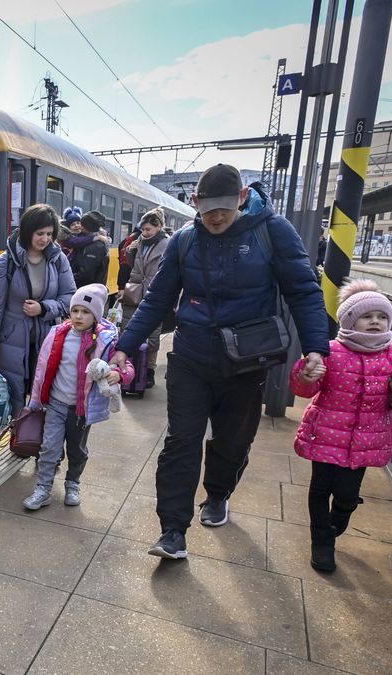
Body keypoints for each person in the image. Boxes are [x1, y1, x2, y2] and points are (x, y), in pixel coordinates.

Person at [110, 163, 329, 560]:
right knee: (181, 441)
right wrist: (125, 346)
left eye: (225, 209)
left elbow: (303, 290)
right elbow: (157, 299)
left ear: (242, 199)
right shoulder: (184, 241)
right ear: (194, 203)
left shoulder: (273, 231)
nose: (216, 217)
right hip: (192, 356)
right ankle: (172, 530)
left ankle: (218, 492)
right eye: (208, 209)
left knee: (232, 440)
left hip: (247, 360)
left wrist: (317, 346)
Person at [290, 279, 392, 572]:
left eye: (382, 317)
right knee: (319, 490)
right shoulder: (329, 351)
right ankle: (322, 543)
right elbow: (305, 391)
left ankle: (342, 513)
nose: (375, 322)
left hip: (365, 442)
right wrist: (305, 376)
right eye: (367, 316)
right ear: (350, 320)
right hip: (324, 434)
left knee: (347, 492)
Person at [23, 284, 134, 509]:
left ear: (96, 316)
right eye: (75, 311)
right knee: (49, 447)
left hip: (81, 409)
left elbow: (127, 367)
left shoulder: (106, 341)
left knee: (77, 449)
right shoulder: (57, 335)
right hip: (55, 404)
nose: (79, 316)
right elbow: (41, 370)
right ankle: (43, 488)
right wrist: (35, 401)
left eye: (85, 312)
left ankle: (73, 483)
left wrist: (118, 375)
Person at [0, 204, 76, 413]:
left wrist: (43, 308)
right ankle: (18, 441)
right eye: (40, 233)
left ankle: (36, 441)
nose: (45, 239)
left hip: (47, 340)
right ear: (27, 231)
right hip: (11, 342)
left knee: (44, 397)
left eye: (50, 234)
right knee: (14, 400)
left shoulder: (58, 260)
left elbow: (69, 298)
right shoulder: (6, 262)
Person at [119, 207, 169, 388]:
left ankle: (149, 370)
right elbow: (131, 265)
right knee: (128, 327)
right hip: (135, 289)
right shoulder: (138, 242)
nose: (145, 233)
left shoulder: (167, 244)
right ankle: (130, 367)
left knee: (152, 334)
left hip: (154, 290)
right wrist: (130, 252)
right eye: (143, 229)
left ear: (159, 227)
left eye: (148, 229)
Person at [63, 208, 110, 288]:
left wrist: (67, 279)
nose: (79, 226)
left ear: (86, 227)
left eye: (81, 223)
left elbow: (86, 275)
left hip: (87, 290)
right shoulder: (87, 240)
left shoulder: (95, 247)